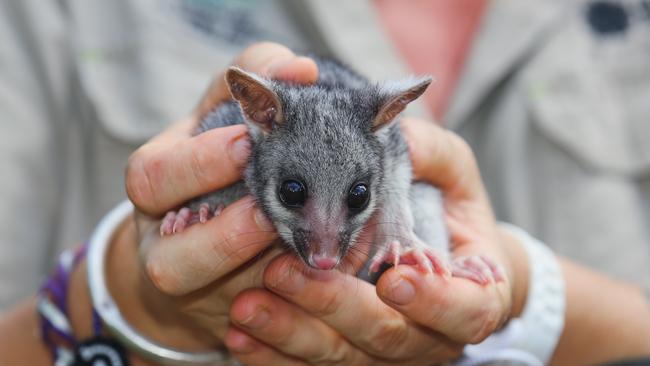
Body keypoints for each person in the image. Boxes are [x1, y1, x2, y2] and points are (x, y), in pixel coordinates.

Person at [2, 45, 650, 366]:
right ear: (259, 118)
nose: (323, 247)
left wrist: (522, 290)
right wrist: (129, 300)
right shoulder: (239, 132)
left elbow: (398, 168)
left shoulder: (386, 139)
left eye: (354, 200)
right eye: (294, 196)